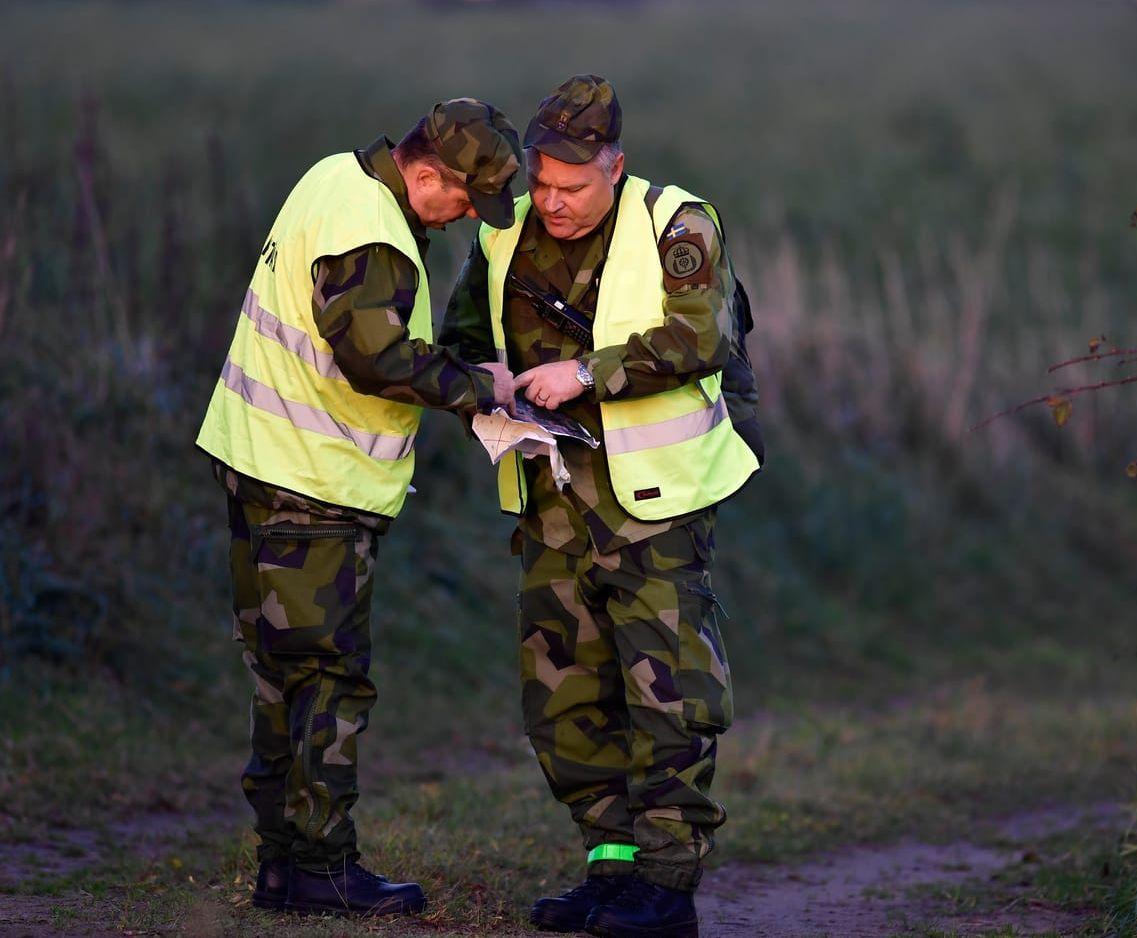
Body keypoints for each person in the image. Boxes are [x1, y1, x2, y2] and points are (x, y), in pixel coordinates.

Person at [441, 75, 760, 938]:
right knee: (564, 696)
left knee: (668, 696)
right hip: (548, 501)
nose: (552, 202)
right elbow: (461, 340)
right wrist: (487, 387)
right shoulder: (505, 236)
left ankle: (666, 887)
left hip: (654, 506)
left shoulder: (677, 223)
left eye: (572, 187)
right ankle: (609, 868)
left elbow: (705, 338)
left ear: (615, 168)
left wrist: (586, 373)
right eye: (541, 183)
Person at [194, 99, 522, 917]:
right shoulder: (372, 231)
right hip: (314, 490)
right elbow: (375, 358)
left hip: (261, 466)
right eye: (460, 202)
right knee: (326, 682)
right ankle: (323, 868)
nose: (458, 222)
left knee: (279, 676)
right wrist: (485, 389)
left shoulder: (331, 178)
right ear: (424, 174)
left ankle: (282, 864)